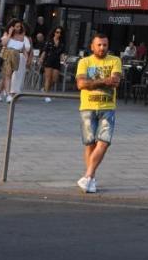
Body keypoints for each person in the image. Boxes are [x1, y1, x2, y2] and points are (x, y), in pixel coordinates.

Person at [75, 32, 122, 194]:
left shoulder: (115, 60)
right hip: (87, 106)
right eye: (99, 45)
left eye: (105, 45)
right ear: (92, 46)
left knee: (104, 142)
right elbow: (80, 84)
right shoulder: (84, 62)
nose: (102, 48)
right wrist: (103, 81)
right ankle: (91, 180)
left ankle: (87, 176)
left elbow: (115, 81)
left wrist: (92, 83)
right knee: (90, 144)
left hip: (107, 106)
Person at [0, 22, 32, 103]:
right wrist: (9, 34)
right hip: (7, 55)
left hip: (16, 57)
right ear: (12, 27)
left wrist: (27, 59)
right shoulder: (7, 34)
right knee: (8, 75)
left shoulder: (22, 37)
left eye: (19, 27)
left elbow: (23, 49)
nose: (18, 28)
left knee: (7, 76)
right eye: (16, 26)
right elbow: (4, 44)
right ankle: (8, 95)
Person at [42, 27, 66, 102]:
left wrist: (63, 59)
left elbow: (62, 53)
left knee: (55, 79)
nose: (58, 34)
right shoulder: (49, 41)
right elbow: (45, 51)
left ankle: (45, 89)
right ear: (54, 32)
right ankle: (46, 94)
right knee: (48, 78)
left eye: (60, 33)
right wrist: (41, 59)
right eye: (57, 32)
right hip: (49, 59)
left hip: (56, 60)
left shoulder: (62, 43)